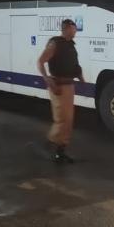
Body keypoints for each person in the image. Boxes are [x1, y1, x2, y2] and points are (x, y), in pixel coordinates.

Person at [37, 18, 83, 163]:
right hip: (58, 86)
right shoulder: (55, 44)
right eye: (73, 29)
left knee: (68, 120)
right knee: (61, 120)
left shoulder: (71, 45)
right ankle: (50, 144)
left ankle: (60, 150)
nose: (75, 31)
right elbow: (40, 61)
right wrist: (48, 80)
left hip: (69, 86)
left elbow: (74, 65)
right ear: (66, 29)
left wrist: (81, 77)